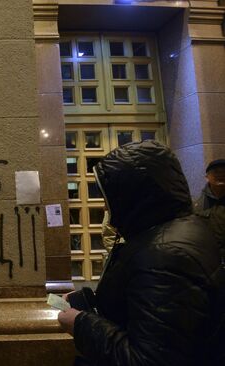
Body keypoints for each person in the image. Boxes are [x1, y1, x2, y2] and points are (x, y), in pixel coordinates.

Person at [57, 140, 225, 365]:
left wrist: (82, 325)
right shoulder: (168, 235)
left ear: (131, 194)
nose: (106, 207)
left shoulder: (166, 256)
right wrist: (90, 302)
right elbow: (144, 311)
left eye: (109, 197)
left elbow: (150, 359)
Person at [194, 159, 225, 262]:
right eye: (216, 171)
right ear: (207, 176)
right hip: (208, 262)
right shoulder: (195, 205)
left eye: (224, 171)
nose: (221, 174)